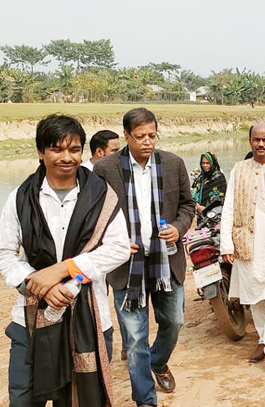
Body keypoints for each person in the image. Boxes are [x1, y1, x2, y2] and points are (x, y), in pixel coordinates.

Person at [0, 114, 130, 406]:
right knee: (22, 399)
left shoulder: (101, 196)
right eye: (57, 149)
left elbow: (119, 248)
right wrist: (39, 284)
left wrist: (64, 269)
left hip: (89, 316)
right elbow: (5, 253)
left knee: (82, 399)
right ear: (41, 152)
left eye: (74, 149)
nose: (66, 157)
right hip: (30, 320)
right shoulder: (21, 198)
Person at [94, 108, 195, 407]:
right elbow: (94, 217)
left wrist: (178, 229)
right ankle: (145, 399)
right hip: (128, 267)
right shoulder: (106, 169)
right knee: (135, 339)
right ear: (126, 136)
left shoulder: (173, 163)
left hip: (167, 261)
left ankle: (159, 361)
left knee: (174, 321)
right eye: (140, 137)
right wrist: (116, 241)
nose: (147, 142)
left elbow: (188, 205)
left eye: (152, 135)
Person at [220, 123, 265, 373]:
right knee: (255, 297)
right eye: (256, 140)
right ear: (249, 141)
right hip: (247, 241)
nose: (260, 144)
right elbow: (228, 208)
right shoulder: (239, 169)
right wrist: (226, 244)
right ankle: (263, 339)